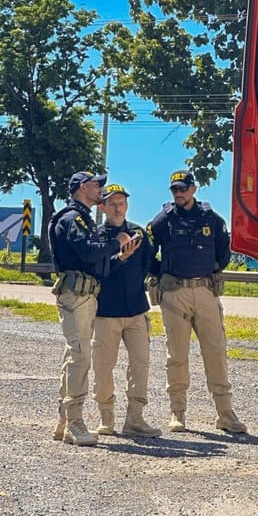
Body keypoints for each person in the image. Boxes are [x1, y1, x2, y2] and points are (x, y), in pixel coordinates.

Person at [147, 170, 247, 434]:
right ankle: (177, 413)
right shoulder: (162, 221)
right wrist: (162, 273)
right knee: (177, 355)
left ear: (194, 189)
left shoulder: (212, 219)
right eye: (174, 190)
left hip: (204, 291)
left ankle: (225, 414)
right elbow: (147, 253)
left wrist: (209, 268)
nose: (178, 194)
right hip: (175, 294)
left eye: (182, 188)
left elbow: (223, 254)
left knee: (215, 351)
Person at [48, 170, 132, 446]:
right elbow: (89, 252)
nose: (101, 190)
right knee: (81, 356)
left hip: (86, 294)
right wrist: (115, 241)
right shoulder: (73, 219)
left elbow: (97, 264)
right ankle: (74, 422)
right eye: (98, 185)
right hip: (76, 295)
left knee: (75, 355)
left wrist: (119, 257)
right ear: (84, 187)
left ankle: (65, 421)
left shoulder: (84, 219)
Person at [92, 183, 161, 438]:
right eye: (112, 203)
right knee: (103, 366)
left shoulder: (138, 233)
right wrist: (119, 259)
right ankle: (106, 417)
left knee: (140, 364)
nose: (117, 208)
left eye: (121, 203)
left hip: (135, 310)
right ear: (103, 207)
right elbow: (97, 270)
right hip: (106, 312)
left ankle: (135, 419)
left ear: (127, 205)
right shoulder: (97, 236)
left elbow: (146, 265)